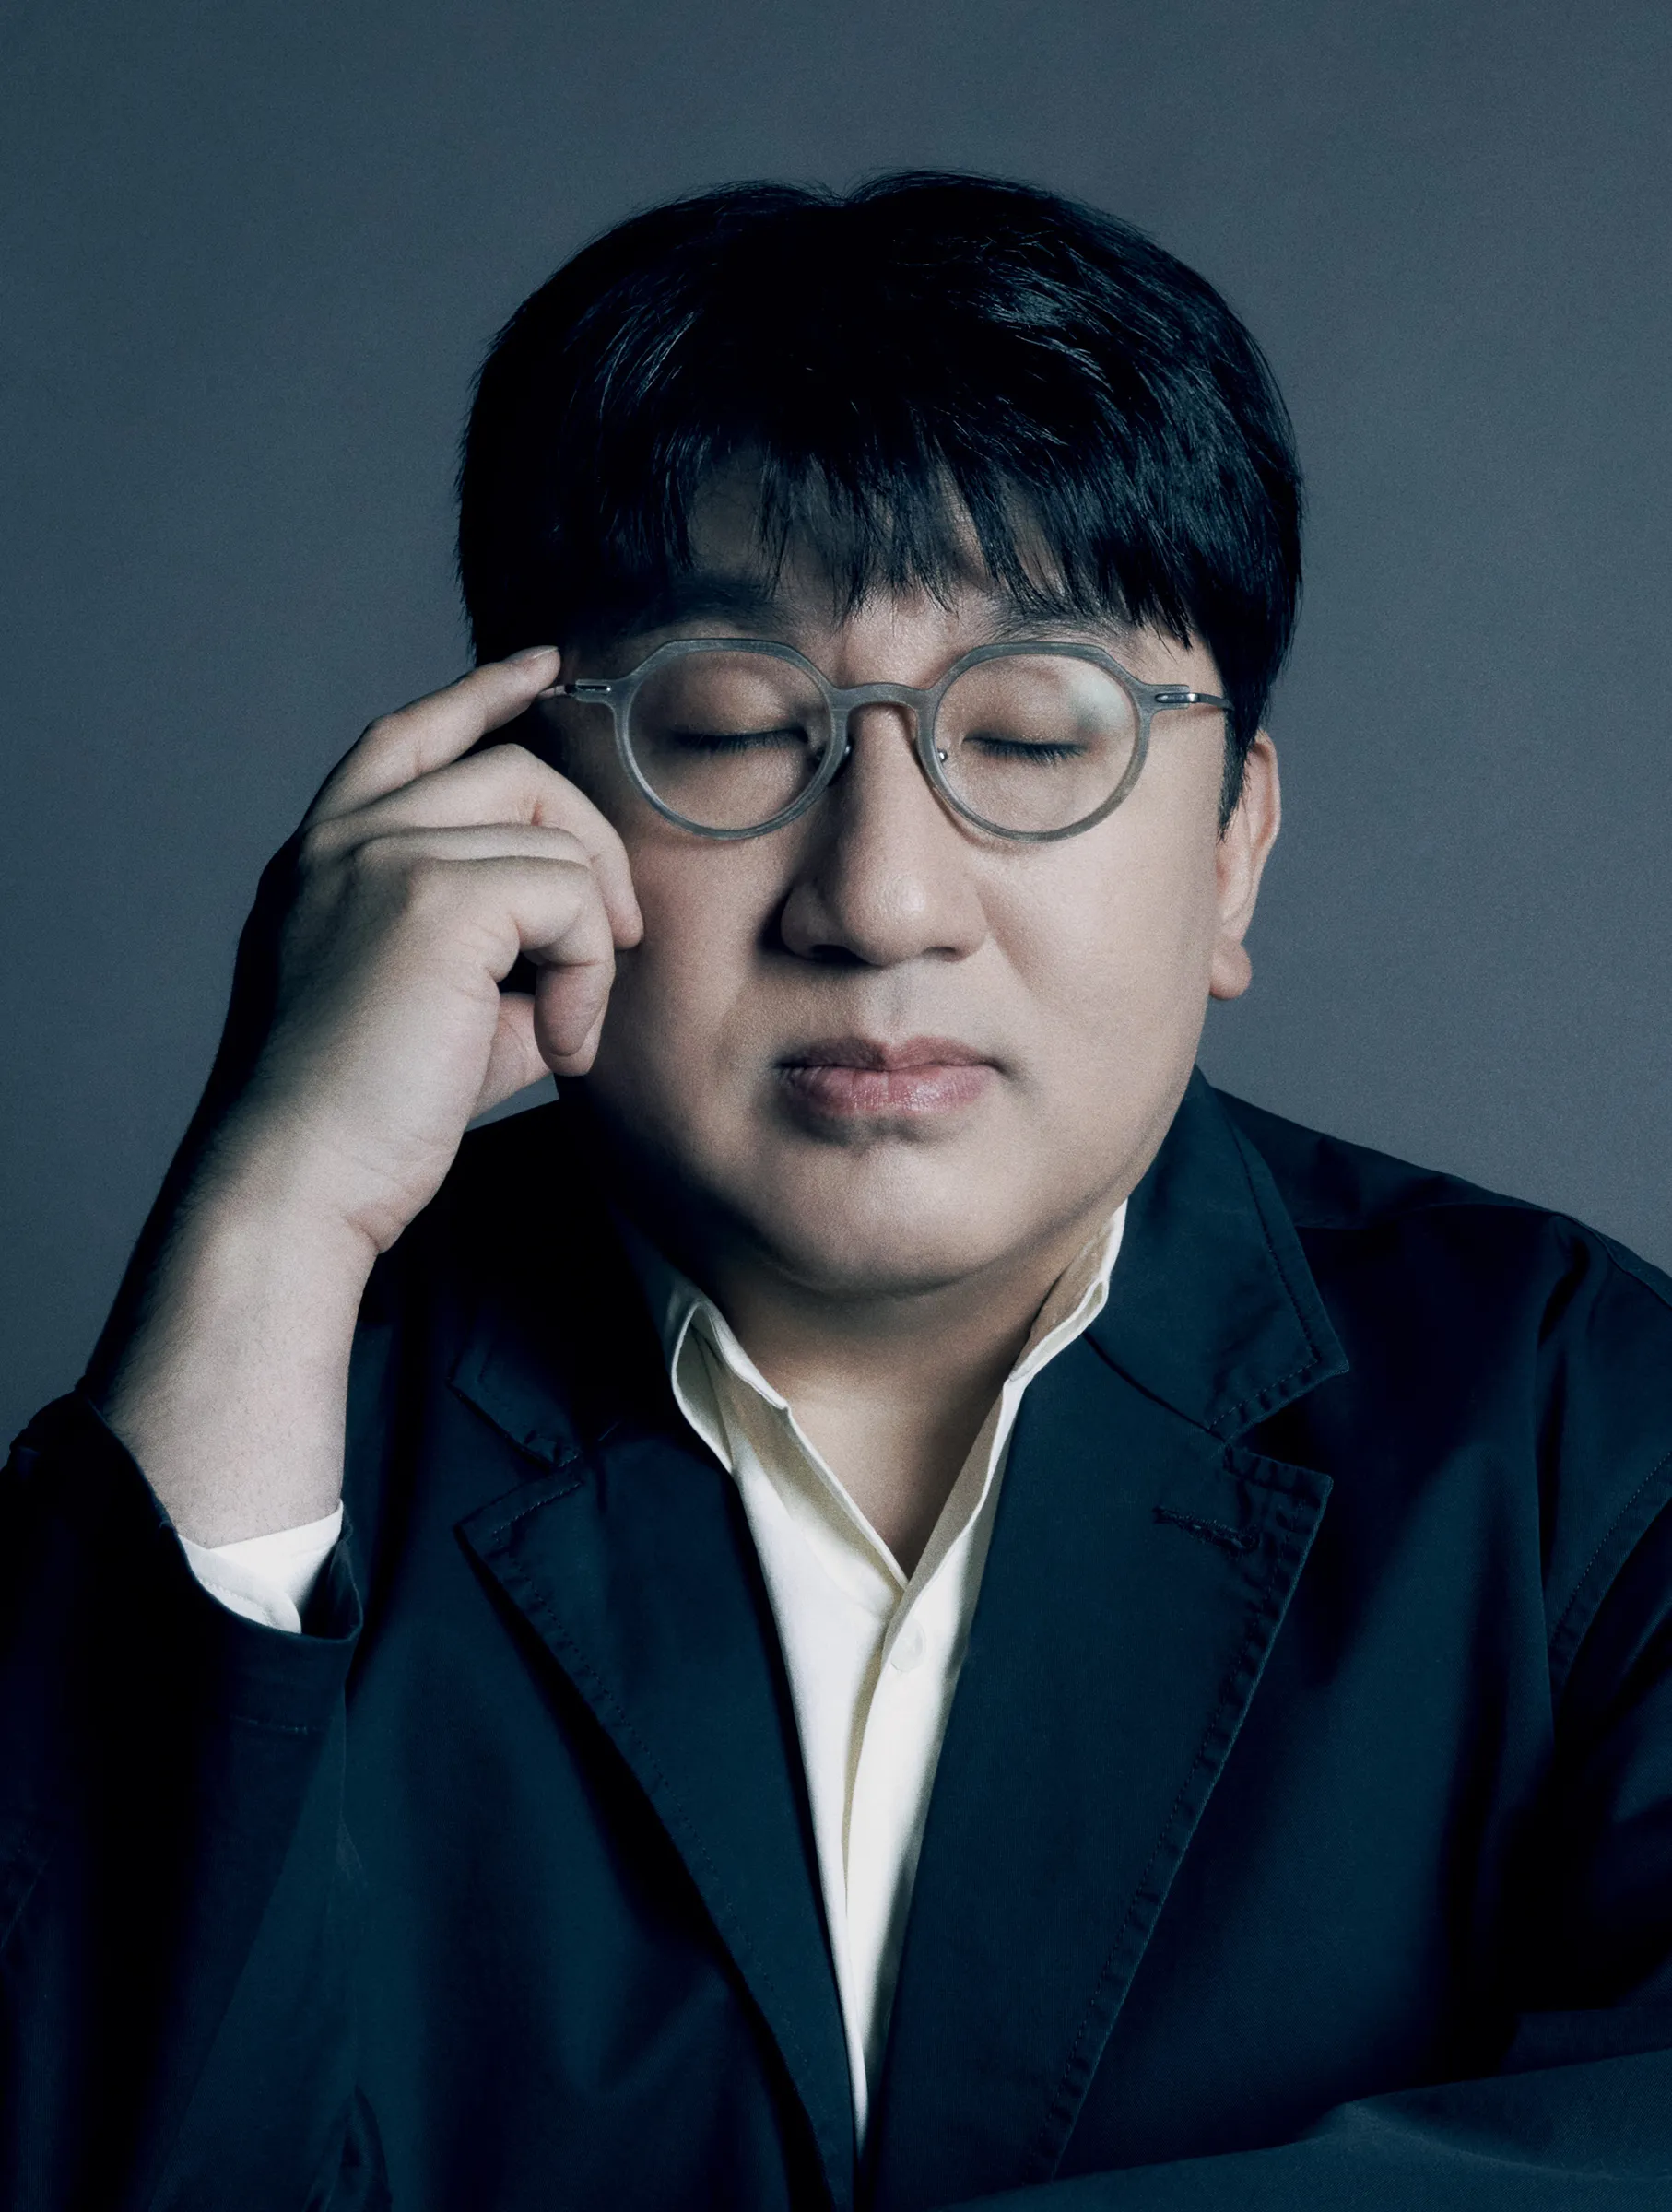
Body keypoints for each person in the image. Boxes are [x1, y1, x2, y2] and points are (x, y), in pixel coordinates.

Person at [4, 171, 1670, 2212]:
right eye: (728, 728)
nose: (880, 899)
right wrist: (269, 1207)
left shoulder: (1582, 1427)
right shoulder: (275, 1433)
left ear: (1233, 848)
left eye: (1031, 738)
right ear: (517, 801)